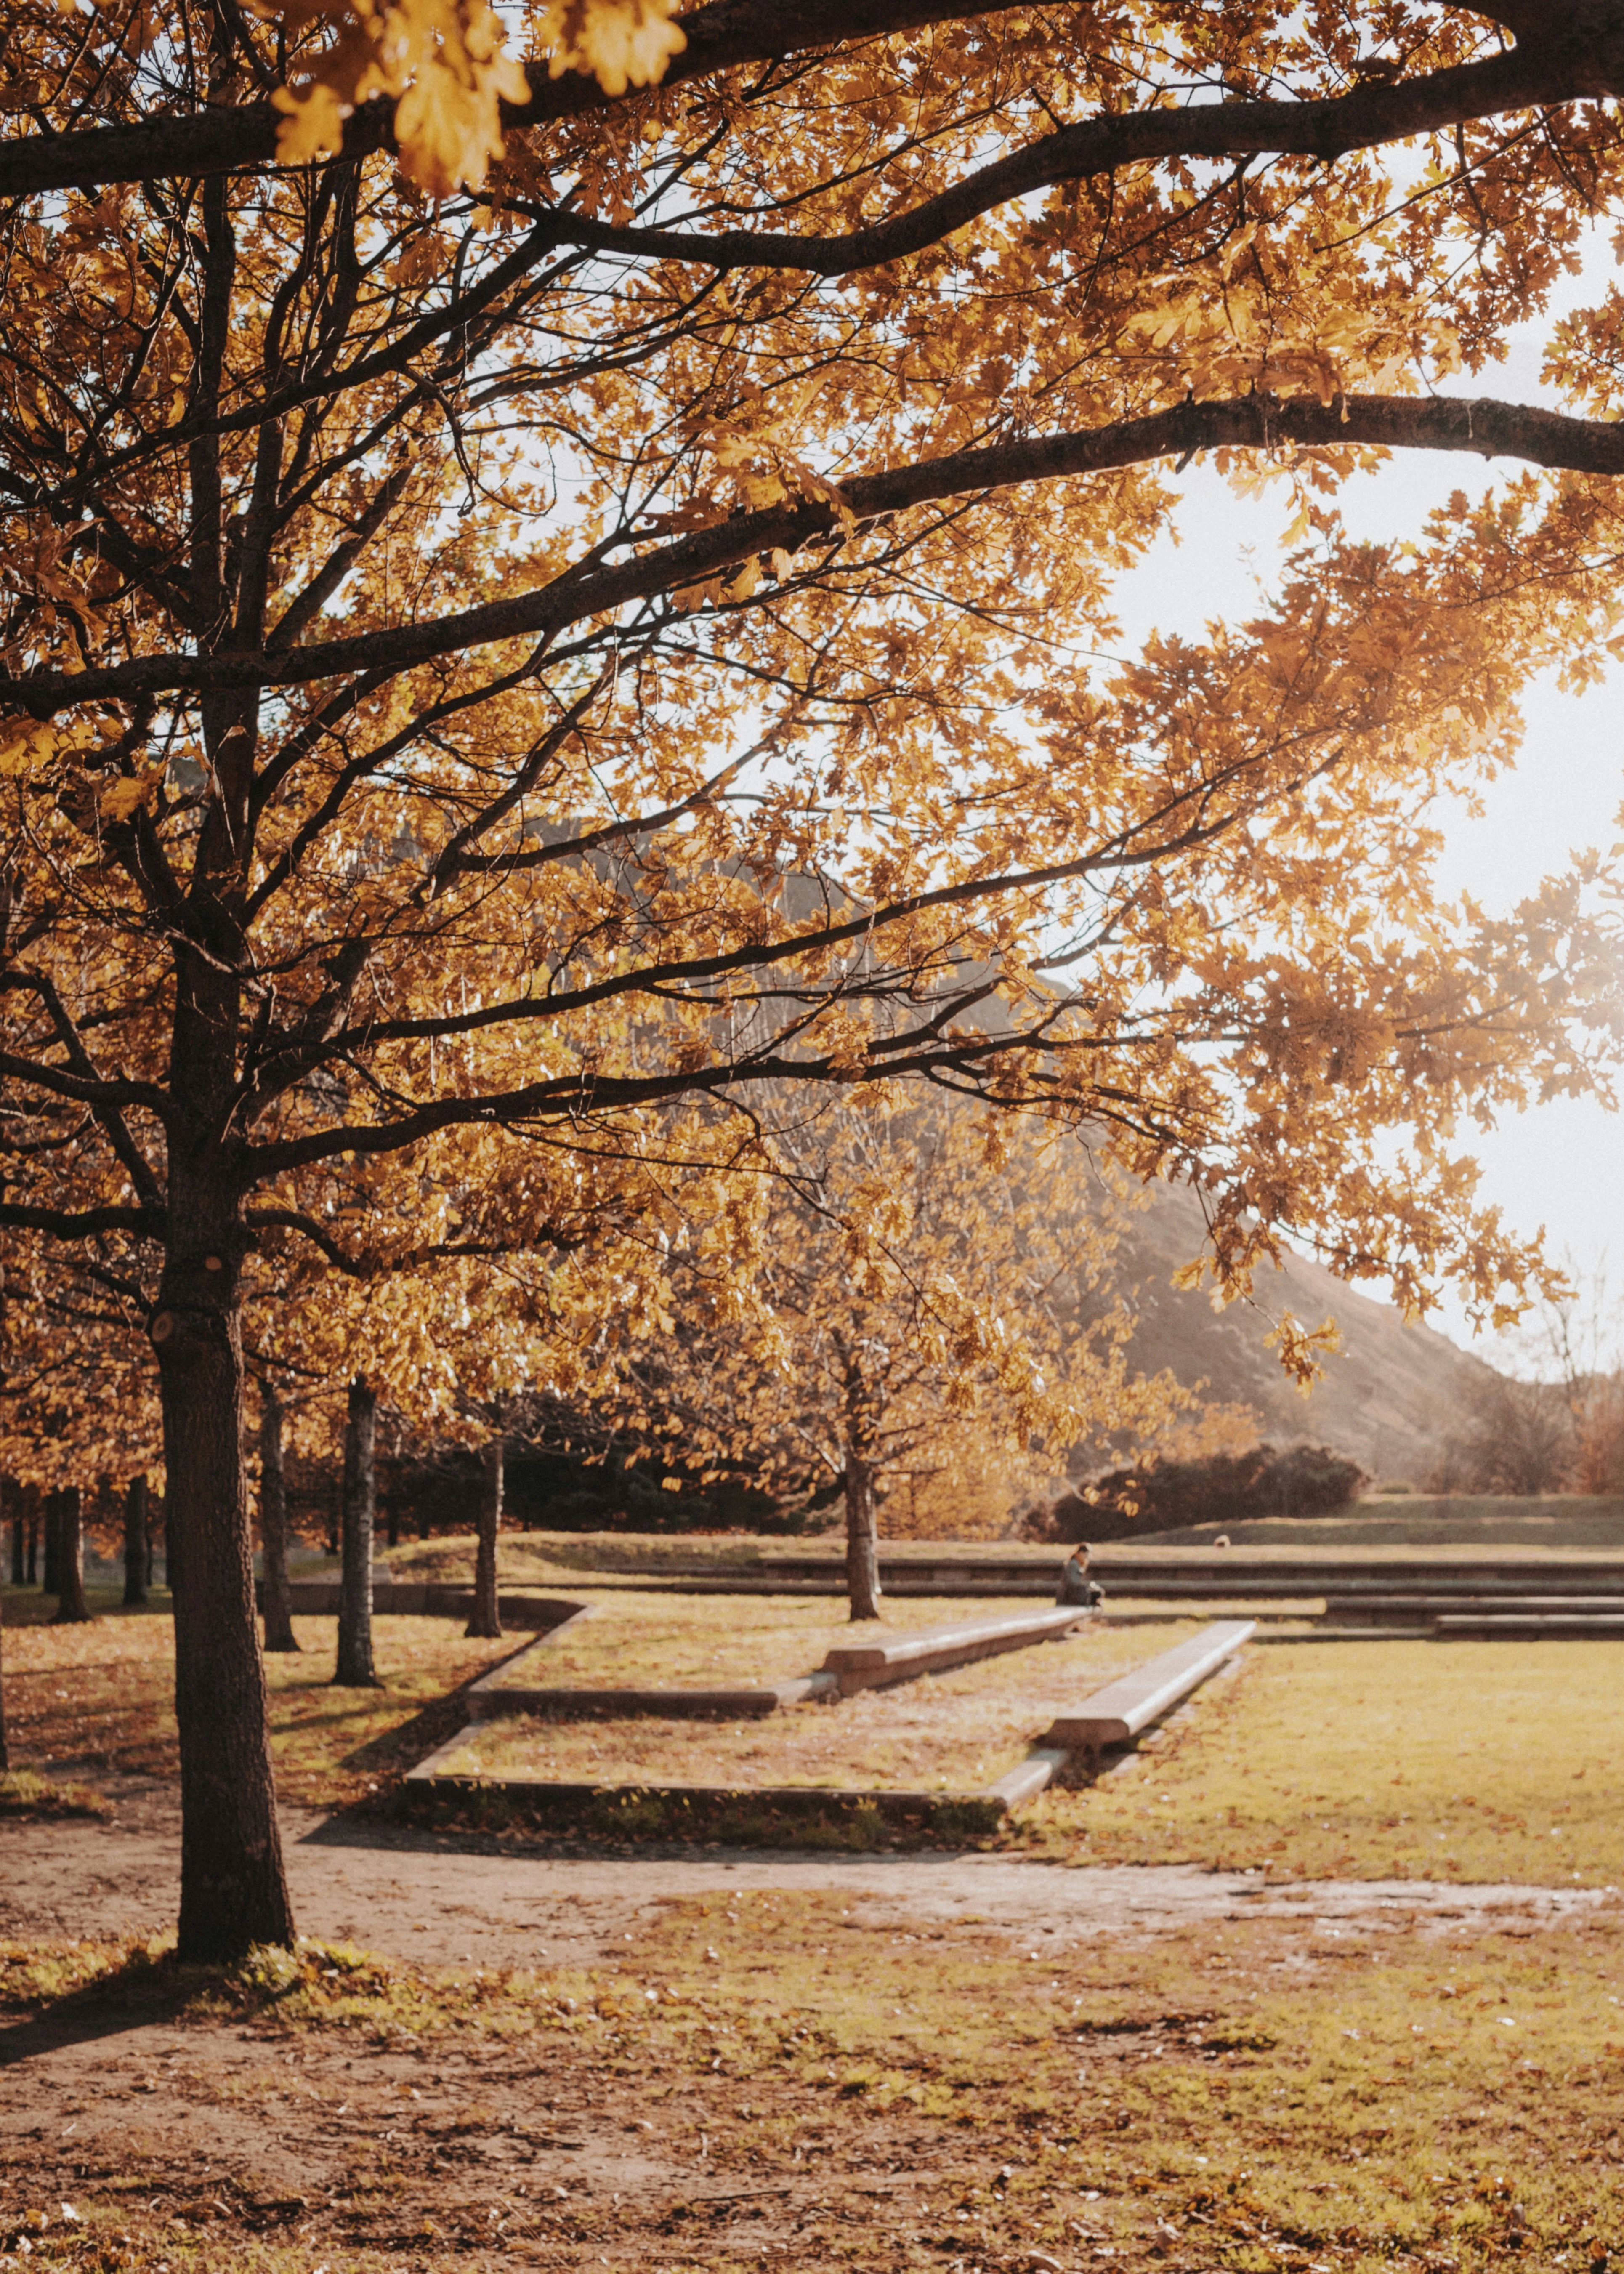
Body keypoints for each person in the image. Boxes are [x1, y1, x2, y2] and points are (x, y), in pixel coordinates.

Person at [1056, 1541, 1105, 1609]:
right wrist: (1088, 1586)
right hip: (1070, 1596)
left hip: (1074, 1593)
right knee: (1098, 1593)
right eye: (1086, 1556)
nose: (1087, 1558)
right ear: (1081, 1553)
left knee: (1098, 1592)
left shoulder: (1076, 1563)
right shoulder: (1074, 1564)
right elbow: (1074, 1583)